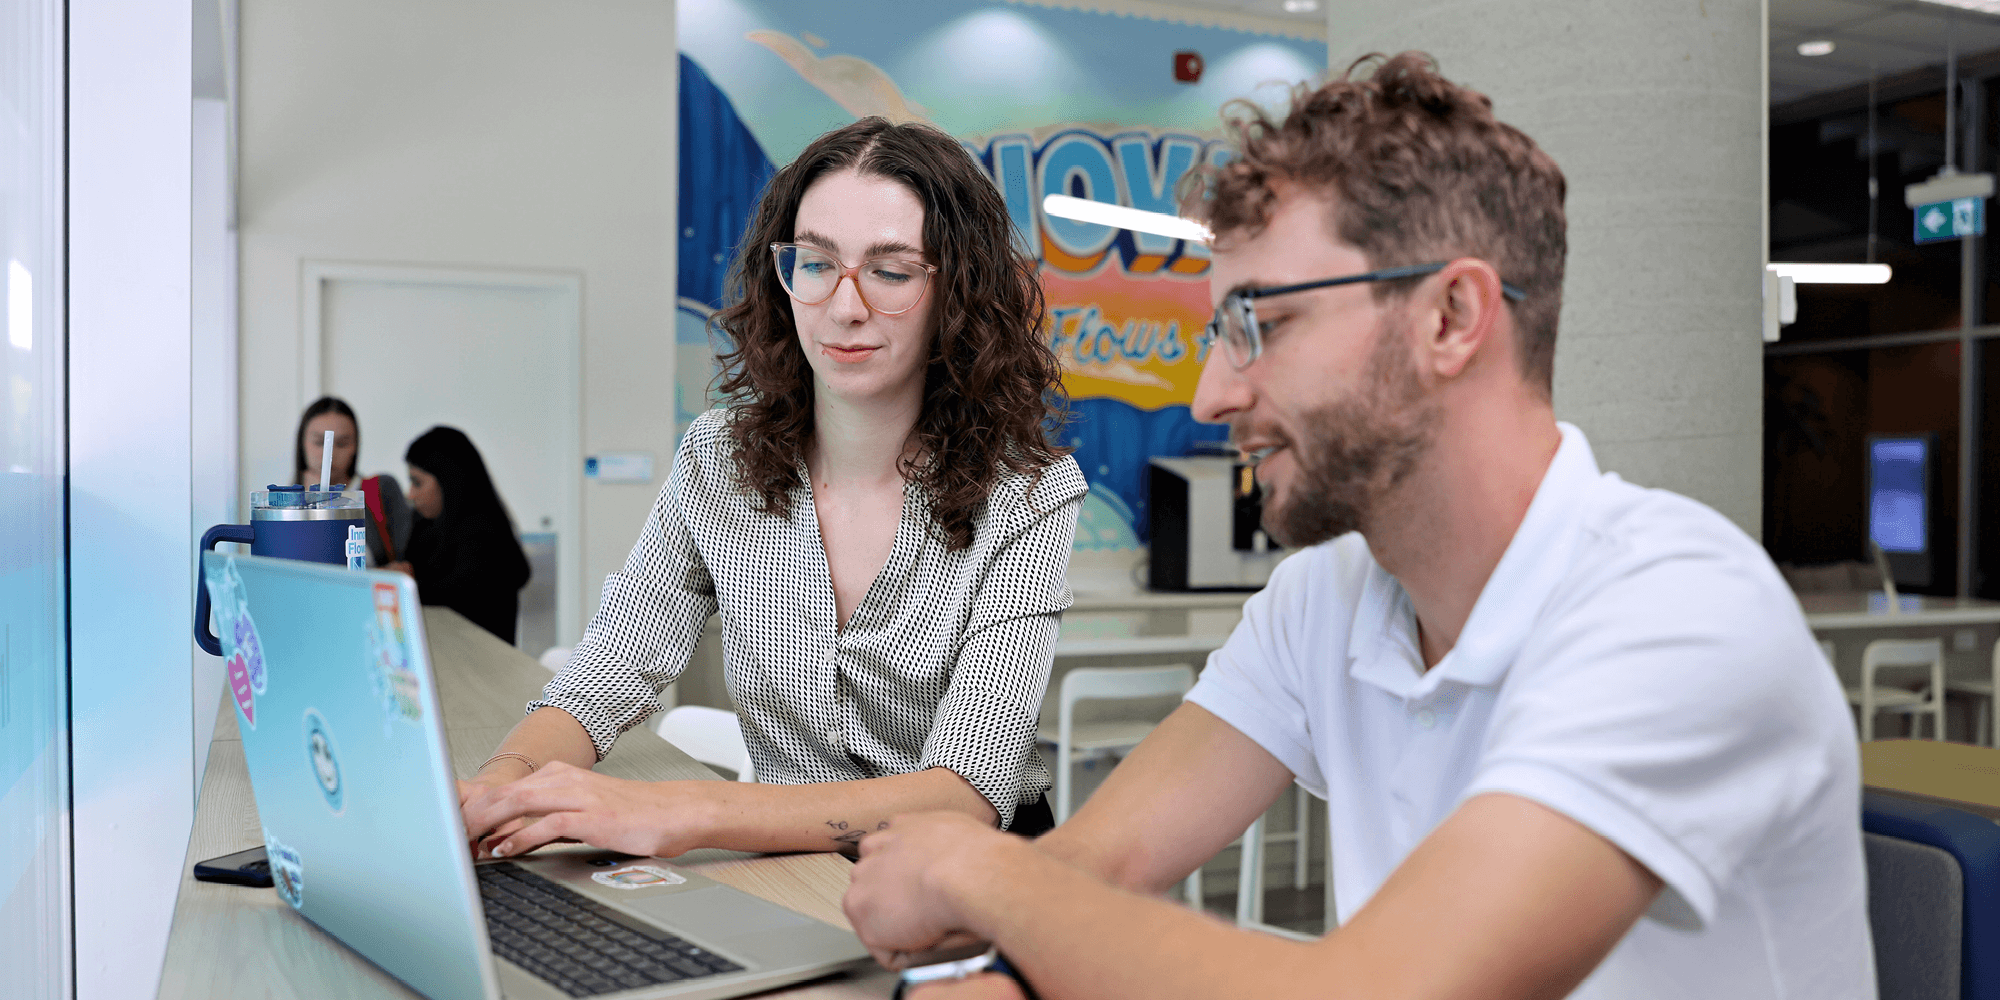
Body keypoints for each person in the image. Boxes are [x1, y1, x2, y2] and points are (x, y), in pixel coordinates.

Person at [840, 54, 1873, 1000]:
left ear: (1449, 318)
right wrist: (1005, 961)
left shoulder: (1679, 613)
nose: (1209, 394)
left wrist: (977, 868)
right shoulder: (1323, 599)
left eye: (1260, 322)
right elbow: (1099, 866)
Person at [457, 117, 1085, 860]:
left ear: (958, 292)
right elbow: (609, 671)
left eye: (890, 271)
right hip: (796, 867)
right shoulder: (717, 461)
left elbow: (966, 791)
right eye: (816, 263)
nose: (844, 306)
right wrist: (499, 790)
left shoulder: (1029, 494)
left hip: (966, 876)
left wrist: (685, 812)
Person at [395, 425, 532, 644]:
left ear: (449, 482)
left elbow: (449, 597)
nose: (410, 494)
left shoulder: (484, 537)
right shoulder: (425, 525)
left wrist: (403, 583)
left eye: (417, 482)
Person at [291, 395, 412, 566]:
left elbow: (406, 565)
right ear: (302, 443)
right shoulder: (283, 504)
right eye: (319, 442)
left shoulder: (381, 489)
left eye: (341, 444)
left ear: (355, 446)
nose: (329, 454)